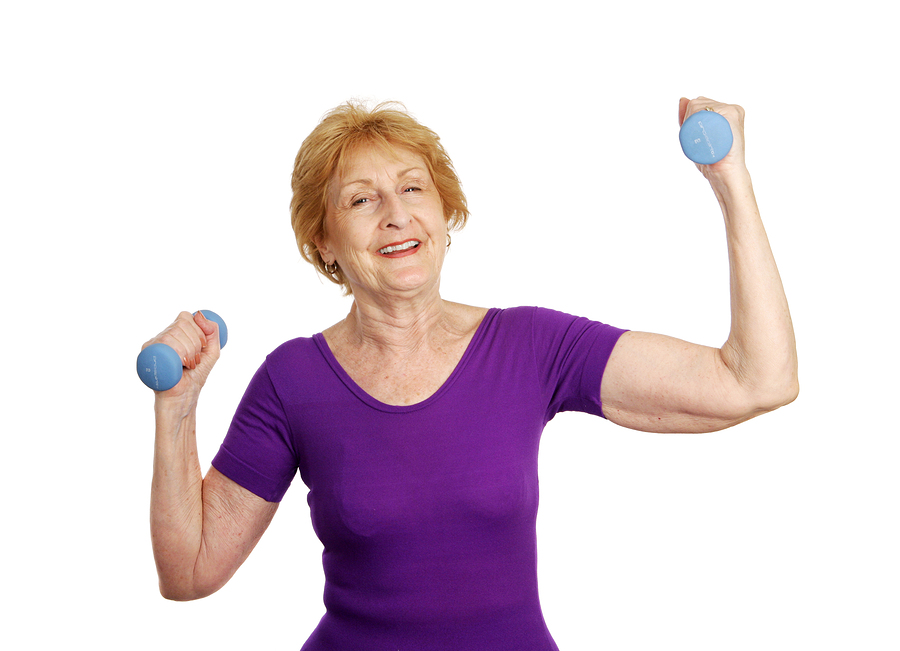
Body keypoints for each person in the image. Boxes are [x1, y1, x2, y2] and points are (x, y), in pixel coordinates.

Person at [145, 97, 798, 650]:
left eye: (412, 187)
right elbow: (189, 571)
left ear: (443, 213)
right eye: (361, 199)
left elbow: (756, 380)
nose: (395, 213)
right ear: (325, 244)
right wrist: (176, 409)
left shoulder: (531, 345)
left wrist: (730, 179)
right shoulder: (293, 382)